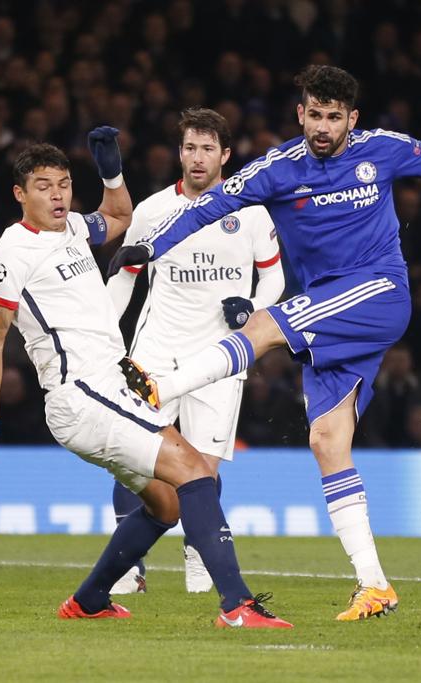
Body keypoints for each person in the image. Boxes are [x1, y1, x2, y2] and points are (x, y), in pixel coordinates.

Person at [109, 64, 421, 621]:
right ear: (300, 114)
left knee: (260, 327)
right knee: (327, 441)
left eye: (334, 117)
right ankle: (374, 584)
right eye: (315, 115)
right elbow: (211, 205)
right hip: (330, 314)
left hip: (380, 290)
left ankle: (160, 387)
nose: (323, 127)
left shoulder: (381, 150)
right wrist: (151, 247)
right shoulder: (278, 169)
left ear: (352, 118)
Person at [0, 130, 291, 629]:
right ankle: (238, 606)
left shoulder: (74, 228)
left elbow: (118, 217)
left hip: (111, 384)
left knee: (166, 504)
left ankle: (89, 599)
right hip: (82, 393)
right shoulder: (10, 254)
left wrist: (111, 173)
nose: (57, 196)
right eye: (43, 187)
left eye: (64, 184)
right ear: (19, 194)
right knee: (196, 473)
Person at [105, 108, 284, 594]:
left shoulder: (251, 212)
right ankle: (128, 567)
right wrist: (103, 335)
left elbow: (274, 278)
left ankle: (197, 553)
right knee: (133, 459)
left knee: (203, 467)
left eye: (207, 148)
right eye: (190, 148)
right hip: (156, 352)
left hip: (221, 356)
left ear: (225, 155)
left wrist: (252, 307)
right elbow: (124, 276)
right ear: (179, 153)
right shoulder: (153, 211)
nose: (197, 158)